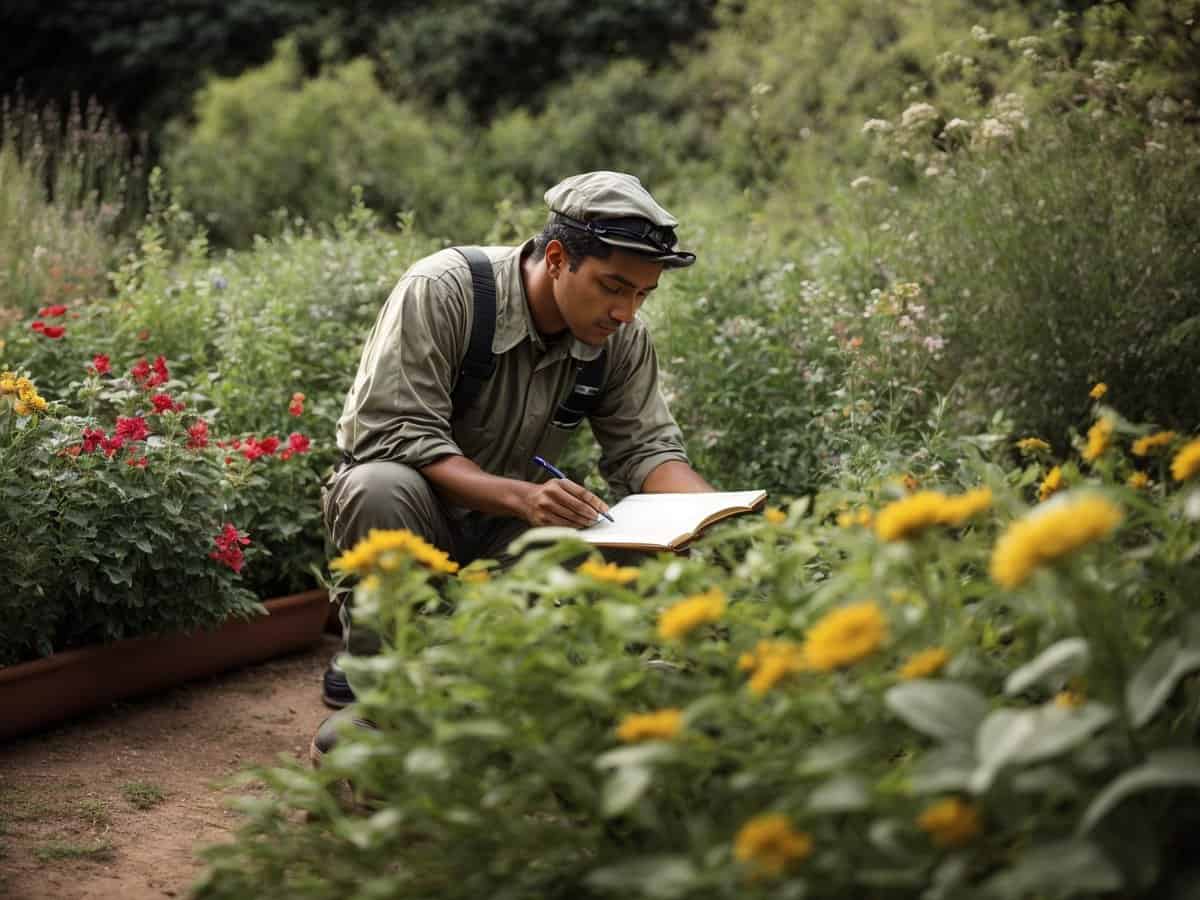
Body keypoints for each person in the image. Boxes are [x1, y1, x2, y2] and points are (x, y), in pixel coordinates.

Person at [312, 171, 713, 763]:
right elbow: (394, 433)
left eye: (642, 295)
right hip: (414, 511)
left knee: (619, 539)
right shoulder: (445, 289)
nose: (626, 312)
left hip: (505, 528)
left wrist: (721, 521)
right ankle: (385, 685)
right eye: (613, 287)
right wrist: (524, 498)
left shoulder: (620, 339)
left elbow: (648, 453)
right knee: (377, 485)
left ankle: (486, 683)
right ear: (557, 258)